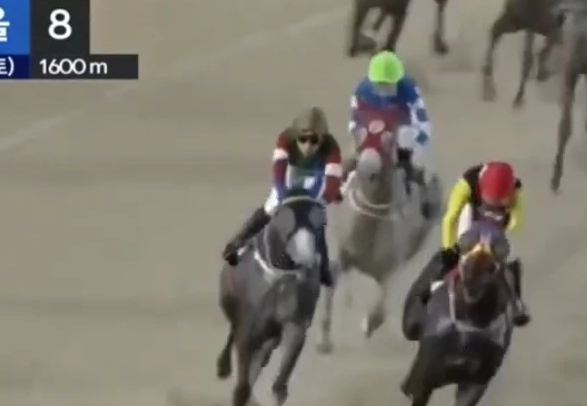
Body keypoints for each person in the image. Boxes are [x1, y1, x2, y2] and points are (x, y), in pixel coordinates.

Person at [403, 162, 530, 339]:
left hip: (494, 229)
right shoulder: (466, 184)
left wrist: (495, 237)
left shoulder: (514, 189)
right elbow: (450, 218)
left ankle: (516, 302)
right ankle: (427, 293)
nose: (493, 204)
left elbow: (517, 222)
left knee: (513, 258)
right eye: (489, 200)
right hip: (470, 219)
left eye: (498, 201)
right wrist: (448, 249)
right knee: (460, 251)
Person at [222, 107, 342, 286]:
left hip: (315, 179)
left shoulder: (332, 147)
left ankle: (323, 267)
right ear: (295, 136)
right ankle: (238, 242)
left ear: (322, 140)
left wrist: (323, 199)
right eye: (303, 139)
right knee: (271, 206)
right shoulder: (285, 139)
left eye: (314, 141)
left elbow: (332, 181)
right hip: (289, 174)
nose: (308, 146)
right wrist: (282, 193)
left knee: (317, 218)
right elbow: (279, 172)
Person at [349, 50, 437, 218]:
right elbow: (354, 120)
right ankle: (341, 187)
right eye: (379, 84)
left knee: (417, 159)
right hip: (373, 130)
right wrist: (357, 135)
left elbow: (422, 120)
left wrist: (418, 141)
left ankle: (425, 195)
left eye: (388, 84)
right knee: (353, 157)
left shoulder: (410, 90)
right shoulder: (361, 90)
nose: (383, 89)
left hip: (401, 130)